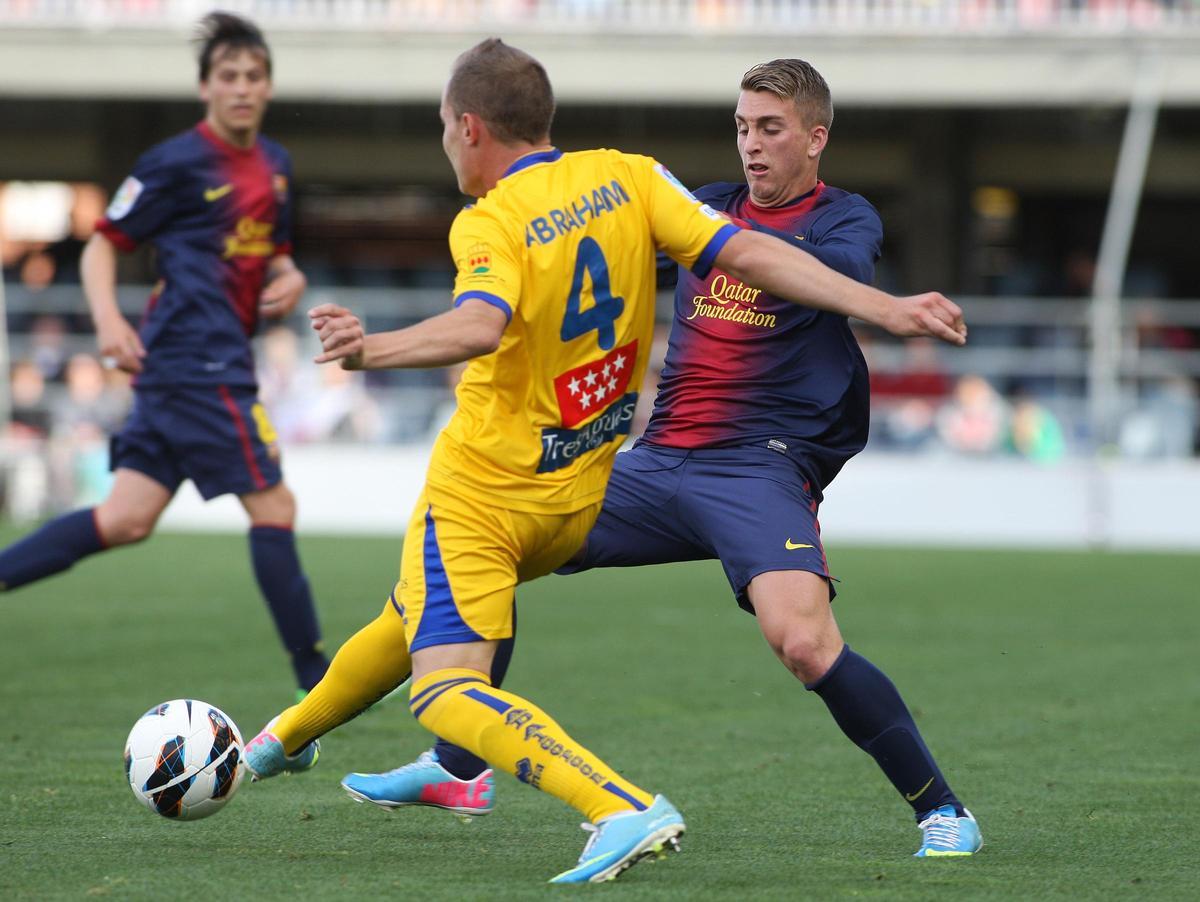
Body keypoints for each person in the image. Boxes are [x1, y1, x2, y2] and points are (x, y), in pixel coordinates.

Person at [242, 40, 967, 884]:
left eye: (771, 128)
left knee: (803, 643)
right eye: (741, 127)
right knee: (480, 559)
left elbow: (787, 268)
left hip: (758, 465)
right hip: (654, 462)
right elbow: (608, 258)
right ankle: (456, 768)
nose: (752, 144)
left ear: (816, 139)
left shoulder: (841, 220)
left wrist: (886, 307)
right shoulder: (685, 198)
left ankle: (943, 810)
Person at [0, 12, 330, 698]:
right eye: (229, 76)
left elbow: (275, 255)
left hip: (190, 370)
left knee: (125, 518)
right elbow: (103, 243)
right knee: (276, 508)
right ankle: (317, 683)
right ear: (205, 87)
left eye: (254, 76)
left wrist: (289, 276)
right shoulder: (174, 163)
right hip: (197, 366)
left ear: (268, 87)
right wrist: (108, 322)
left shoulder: (276, 167)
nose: (243, 88)